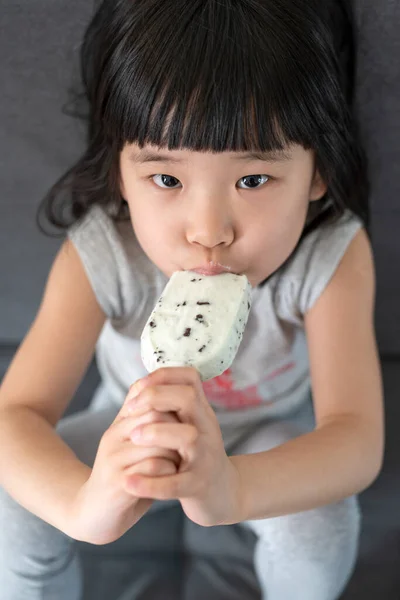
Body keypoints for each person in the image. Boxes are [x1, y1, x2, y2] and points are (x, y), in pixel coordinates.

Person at [0, 0, 384, 599]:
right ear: (122, 174)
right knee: (14, 503)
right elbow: (14, 415)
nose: (208, 230)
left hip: (266, 431)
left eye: (252, 180)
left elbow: (356, 438)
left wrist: (234, 488)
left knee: (322, 519)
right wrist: (80, 505)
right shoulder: (104, 254)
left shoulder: (330, 257)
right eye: (167, 179)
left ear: (317, 172)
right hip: (133, 424)